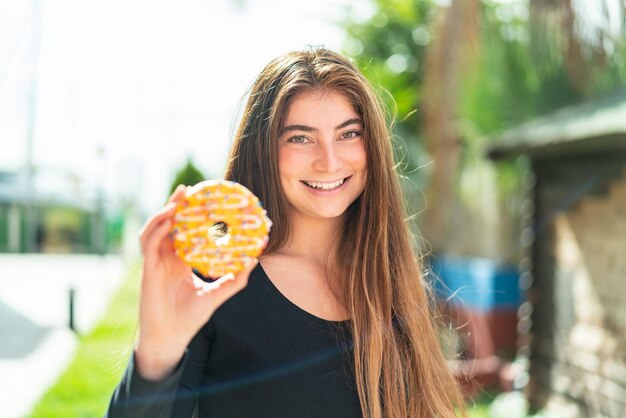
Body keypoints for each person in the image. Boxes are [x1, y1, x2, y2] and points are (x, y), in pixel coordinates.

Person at [105, 47, 465, 418]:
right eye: (300, 138)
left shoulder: (397, 285)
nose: (329, 160)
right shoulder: (214, 286)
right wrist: (157, 352)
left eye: (349, 134)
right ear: (262, 150)